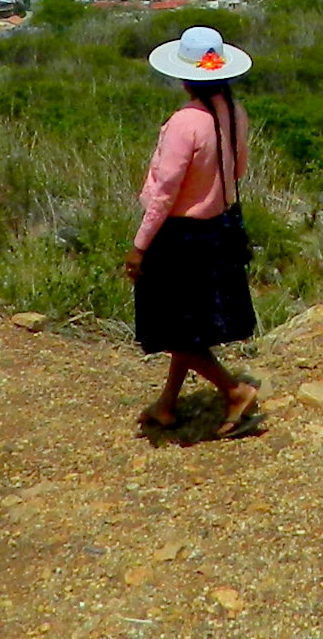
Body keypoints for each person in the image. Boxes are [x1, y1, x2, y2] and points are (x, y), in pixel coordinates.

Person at [124, 24, 263, 436]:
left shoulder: (186, 123)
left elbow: (165, 194)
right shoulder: (234, 112)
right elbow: (238, 170)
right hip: (218, 231)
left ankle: (233, 391)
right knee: (189, 325)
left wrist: (139, 246)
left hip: (180, 237)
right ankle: (167, 403)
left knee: (172, 328)